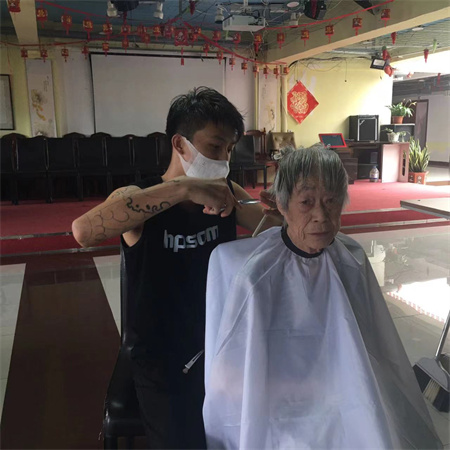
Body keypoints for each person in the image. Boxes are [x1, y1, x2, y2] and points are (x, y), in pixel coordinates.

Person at [72, 87, 281, 448]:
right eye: (214, 147)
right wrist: (183, 189)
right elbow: (83, 231)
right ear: (180, 144)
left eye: (229, 149)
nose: (223, 159)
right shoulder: (139, 198)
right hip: (162, 358)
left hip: (218, 344)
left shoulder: (225, 193)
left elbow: (275, 228)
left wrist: (285, 207)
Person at [203, 145, 442, 449]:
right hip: (279, 412)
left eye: (331, 201)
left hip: (347, 398)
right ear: (281, 204)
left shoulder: (352, 259)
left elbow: (378, 349)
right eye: (306, 202)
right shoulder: (254, 276)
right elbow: (235, 374)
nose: (321, 216)